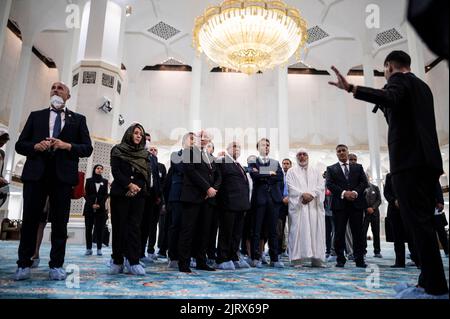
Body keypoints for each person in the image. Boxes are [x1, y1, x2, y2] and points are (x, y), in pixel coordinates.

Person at [329, 50, 448, 297]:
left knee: (418, 225)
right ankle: (429, 280)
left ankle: (434, 285)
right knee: (423, 223)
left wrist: (353, 88)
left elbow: (390, 97)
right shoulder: (423, 87)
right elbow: (400, 112)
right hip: (428, 162)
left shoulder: (398, 81)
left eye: (384, 71)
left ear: (389, 67)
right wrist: (385, 108)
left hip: (409, 163)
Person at [14, 82, 93, 281]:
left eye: (60, 88)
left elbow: (87, 148)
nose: (55, 90)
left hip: (63, 177)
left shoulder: (78, 119)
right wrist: (35, 146)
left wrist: (67, 145)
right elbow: (20, 144)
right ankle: (23, 263)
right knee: (30, 221)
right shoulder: (36, 116)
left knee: (60, 224)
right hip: (36, 175)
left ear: (68, 95)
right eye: (53, 87)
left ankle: (56, 265)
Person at [109, 123, 150, 276]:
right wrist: (128, 185)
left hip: (138, 195)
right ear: (129, 134)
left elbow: (145, 175)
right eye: (136, 132)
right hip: (121, 193)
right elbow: (116, 170)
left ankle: (133, 261)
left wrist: (136, 186)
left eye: (141, 133)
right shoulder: (118, 149)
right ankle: (118, 260)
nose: (139, 136)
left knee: (134, 228)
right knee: (119, 227)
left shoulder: (145, 154)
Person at [178, 130, 221, 273]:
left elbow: (212, 174)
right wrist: (207, 188)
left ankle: (201, 261)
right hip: (192, 197)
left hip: (206, 199)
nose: (203, 139)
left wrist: (212, 189)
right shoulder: (189, 152)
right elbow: (191, 172)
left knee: (203, 232)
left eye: (205, 137)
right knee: (187, 231)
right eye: (200, 137)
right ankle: (184, 263)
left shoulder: (208, 156)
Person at [325, 144, 368, 268]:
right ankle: (340, 259)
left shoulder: (358, 167)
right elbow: (330, 184)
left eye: (344, 150)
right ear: (336, 153)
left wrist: (354, 192)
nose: (341, 152)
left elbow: (363, 182)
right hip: (340, 205)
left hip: (356, 204)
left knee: (358, 233)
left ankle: (359, 259)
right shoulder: (331, 169)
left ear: (348, 152)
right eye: (339, 151)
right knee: (339, 233)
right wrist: (344, 193)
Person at [286, 148, 326, 267]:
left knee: (316, 231)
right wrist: (302, 194)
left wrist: (312, 194)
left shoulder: (316, 170)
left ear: (308, 156)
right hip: (299, 206)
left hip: (314, 206)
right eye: (299, 155)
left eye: (304, 154)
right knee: (297, 231)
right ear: (296, 157)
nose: (302, 157)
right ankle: (296, 259)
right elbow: (290, 186)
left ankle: (317, 259)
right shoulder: (291, 171)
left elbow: (321, 185)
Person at [248, 138, 284, 268]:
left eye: (268, 145)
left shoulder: (275, 162)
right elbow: (254, 175)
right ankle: (255, 257)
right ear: (258, 148)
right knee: (256, 230)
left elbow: (279, 176)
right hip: (259, 199)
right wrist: (269, 172)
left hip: (273, 199)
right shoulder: (253, 161)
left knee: (273, 230)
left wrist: (262, 174)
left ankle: (274, 258)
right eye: (263, 145)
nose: (266, 147)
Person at [215, 142, 251, 270]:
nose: (237, 149)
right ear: (227, 149)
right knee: (226, 232)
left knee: (236, 234)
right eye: (234, 147)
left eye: (239, 147)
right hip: (228, 203)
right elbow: (218, 181)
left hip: (241, 204)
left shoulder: (239, 165)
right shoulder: (222, 162)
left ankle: (233, 256)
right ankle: (222, 258)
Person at [165, 132, 195, 269]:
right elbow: (184, 169)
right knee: (175, 226)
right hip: (177, 196)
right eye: (191, 139)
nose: (194, 141)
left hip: (191, 196)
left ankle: (185, 257)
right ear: (184, 142)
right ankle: (173, 256)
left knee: (188, 229)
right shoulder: (175, 155)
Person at [384, 173, 418, 268]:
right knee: (397, 238)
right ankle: (400, 262)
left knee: (412, 237)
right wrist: (394, 200)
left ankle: (417, 260)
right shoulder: (389, 176)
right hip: (394, 211)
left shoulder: (409, 174)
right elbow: (386, 192)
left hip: (408, 210)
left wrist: (405, 201)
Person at [139, 137, 161, 265]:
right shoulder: (138, 155)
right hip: (140, 194)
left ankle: (141, 253)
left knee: (146, 226)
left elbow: (156, 179)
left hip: (151, 197)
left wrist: (157, 195)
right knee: (136, 226)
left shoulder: (154, 159)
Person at [83, 164, 109, 256]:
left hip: (100, 209)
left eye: (101, 169)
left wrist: (99, 205)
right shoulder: (89, 180)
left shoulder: (105, 181)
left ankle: (99, 248)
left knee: (99, 230)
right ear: (94, 169)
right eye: (97, 168)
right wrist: (92, 204)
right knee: (88, 229)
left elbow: (106, 195)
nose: (99, 170)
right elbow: (85, 194)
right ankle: (89, 248)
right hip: (89, 209)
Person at [363, 176, 382, 258]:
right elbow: (360, 200)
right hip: (365, 213)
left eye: (366, 177)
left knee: (376, 233)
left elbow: (379, 200)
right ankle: (363, 251)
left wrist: (373, 208)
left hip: (375, 213)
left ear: (369, 178)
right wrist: (366, 208)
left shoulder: (375, 187)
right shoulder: (361, 188)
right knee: (363, 233)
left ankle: (377, 251)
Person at [278, 158, 292, 257]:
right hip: (281, 203)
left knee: (293, 227)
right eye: (284, 163)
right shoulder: (279, 175)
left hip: (292, 203)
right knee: (279, 227)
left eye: (287, 163)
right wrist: (282, 198)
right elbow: (276, 188)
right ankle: (279, 249)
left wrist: (290, 198)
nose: (285, 165)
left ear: (290, 165)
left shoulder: (294, 175)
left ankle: (291, 249)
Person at [434, 181, 448, 257]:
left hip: (434, 206)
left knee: (441, 230)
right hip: (422, 207)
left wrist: (440, 202)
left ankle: (447, 250)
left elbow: (437, 188)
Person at [0, 129, 10, 208]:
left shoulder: (2, 153)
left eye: (4, 143)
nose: (2, 145)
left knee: (6, 191)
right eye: (1, 142)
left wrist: (3, 180)